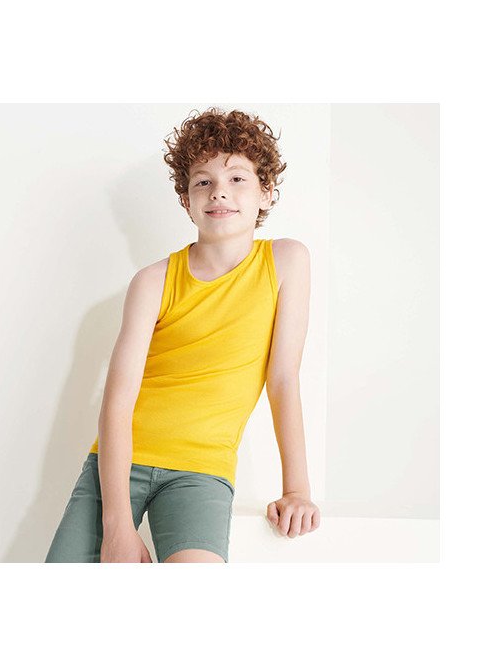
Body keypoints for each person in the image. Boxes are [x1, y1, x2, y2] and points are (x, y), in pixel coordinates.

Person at [45, 107, 319, 563]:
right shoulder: (152, 282)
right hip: (118, 465)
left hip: (202, 471)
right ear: (186, 201)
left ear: (266, 192)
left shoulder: (287, 261)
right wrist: (117, 527)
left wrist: (297, 490)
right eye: (203, 182)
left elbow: (283, 379)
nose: (219, 192)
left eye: (237, 179)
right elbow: (118, 402)